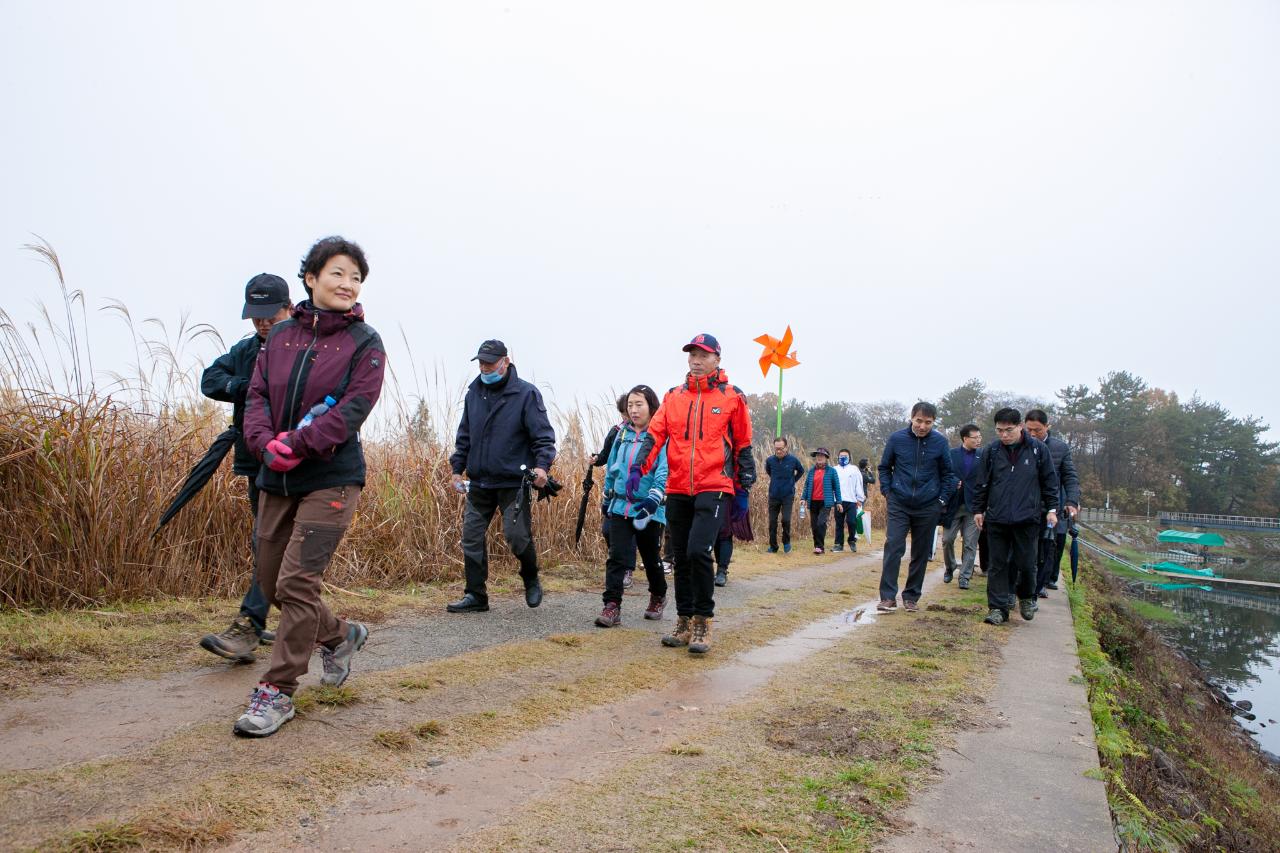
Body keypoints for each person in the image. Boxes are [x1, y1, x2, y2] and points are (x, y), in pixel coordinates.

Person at [234, 237, 385, 737]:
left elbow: (353, 410)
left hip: (331, 477)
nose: (348, 284)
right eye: (338, 273)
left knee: (298, 584)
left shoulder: (365, 343)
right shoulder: (278, 339)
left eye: (356, 278)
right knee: (273, 581)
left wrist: (299, 443)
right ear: (311, 278)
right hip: (275, 475)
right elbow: (255, 396)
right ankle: (340, 636)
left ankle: (277, 690)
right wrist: (262, 443)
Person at [631, 333, 754, 655]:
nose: (696, 361)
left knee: (700, 552)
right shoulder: (673, 397)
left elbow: (742, 444)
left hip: (715, 485)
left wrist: (743, 488)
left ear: (717, 359)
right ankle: (684, 620)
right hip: (678, 487)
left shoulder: (732, 397)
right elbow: (655, 436)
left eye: (703, 355)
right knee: (681, 557)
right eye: (692, 355)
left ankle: (703, 621)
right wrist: (637, 470)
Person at [197, 274, 291, 661]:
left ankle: (254, 624)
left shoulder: (308, 348)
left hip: (296, 461)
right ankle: (297, 622)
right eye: (256, 316)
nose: (263, 323)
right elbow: (210, 380)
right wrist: (246, 385)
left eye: (270, 314)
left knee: (273, 544)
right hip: (256, 462)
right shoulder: (245, 350)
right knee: (266, 543)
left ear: (289, 307)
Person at [447, 340, 558, 614]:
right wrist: (455, 469)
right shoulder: (474, 394)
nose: (485, 368)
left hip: (513, 483)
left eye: (490, 363)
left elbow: (543, 438)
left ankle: (530, 578)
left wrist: (542, 467)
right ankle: (476, 595)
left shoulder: (526, 394)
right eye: (482, 363)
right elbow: (464, 436)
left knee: (516, 536)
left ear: (505, 362)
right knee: (470, 537)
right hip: (480, 482)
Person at [972, 408, 1060, 626]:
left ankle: (1027, 597)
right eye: (999, 430)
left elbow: (1050, 481)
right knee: (997, 564)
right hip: (997, 517)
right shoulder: (991, 452)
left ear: (1020, 426)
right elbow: (982, 482)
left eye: (1008, 430)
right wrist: (978, 509)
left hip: (1027, 517)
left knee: (1027, 562)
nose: (1004, 435)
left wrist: (1052, 509)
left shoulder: (1038, 450)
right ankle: (997, 608)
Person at [596, 385, 668, 627]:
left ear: (651, 407)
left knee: (650, 558)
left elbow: (663, 471)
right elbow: (613, 467)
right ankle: (611, 606)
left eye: (639, 405)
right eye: (630, 405)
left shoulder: (661, 436)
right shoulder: (622, 434)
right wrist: (607, 497)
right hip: (620, 506)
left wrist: (654, 498)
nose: (634, 410)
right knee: (617, 557)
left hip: (648, 509)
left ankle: (658, 595)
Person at [876, 402, 956, 614]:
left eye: (928, 422)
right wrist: (887, 491)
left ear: (933, 422)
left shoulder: (940, 442)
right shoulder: (896, 439)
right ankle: (887, 597)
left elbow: (948, 474)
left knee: (920, 552)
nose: (922, 426)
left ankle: (911, 596)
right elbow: (884, 467)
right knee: (893, 546)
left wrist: (941, 501)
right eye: (919, 421)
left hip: (928, 505)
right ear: (911, 418)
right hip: (899, 502)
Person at [1024, 410, 1080, 597]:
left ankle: (1040, 585)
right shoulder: (1019, 445)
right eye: (1029, 429)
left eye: (1037, 430)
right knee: (1025, 548)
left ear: (1048, 427)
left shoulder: (1060, 448)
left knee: (1047, 547)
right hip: (1024, 506)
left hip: (1050, 508)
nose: (1032, 434)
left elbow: (1070, 477)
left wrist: (1071, 501)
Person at [942, 425, 983, 589]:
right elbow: (944, 474)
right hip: (954, 505)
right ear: (965, 438)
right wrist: (953, 483)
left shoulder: (984, 456)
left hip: (975, 507)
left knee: (970, 544)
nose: (978, 440)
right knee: (947, 539)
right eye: (975, 438)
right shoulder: (951, 455)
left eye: (980, 437)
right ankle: (950, 566)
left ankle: (965, 576)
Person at [764, 437, 805, 553]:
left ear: (786, 447)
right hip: (774, 495)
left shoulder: (793, 460)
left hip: (788, 495)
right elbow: (769, 472)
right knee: (772, 522)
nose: (778, 451)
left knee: (786, 520)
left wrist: (792, 481)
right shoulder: (770, 461)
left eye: (781, 449)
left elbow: (801, 471)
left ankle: (786, 543)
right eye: (776, 449)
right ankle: (773, 546)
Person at [801, 448, 842, 554]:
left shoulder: (832, 471)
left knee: (821, 523)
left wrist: (839, 502)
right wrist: (803, 498)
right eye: (818, 456)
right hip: (813, 501)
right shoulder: (811, 471)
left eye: (822, 456)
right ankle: (817, 546)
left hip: (825, 502)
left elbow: (837, 487)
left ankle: (820, 547)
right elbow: (807, 486)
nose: (819, 457)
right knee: (814, 525)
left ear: (826, 458)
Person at [832, 449, 865, 552]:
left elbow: (859, 484)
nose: (843, 458)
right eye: (841, 456)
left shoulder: (854, 469)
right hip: (838, 501)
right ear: (838, 457)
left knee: (852, 522)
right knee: (839, 523)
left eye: (845, 456)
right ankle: (838, 544)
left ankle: (852, 540)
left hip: (851, 500)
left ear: (849, 457)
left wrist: (859, 498)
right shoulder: (834, 469)